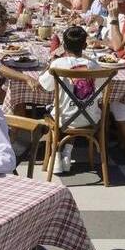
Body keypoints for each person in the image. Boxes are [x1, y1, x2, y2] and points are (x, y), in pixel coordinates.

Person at [39, 26, 102, 172]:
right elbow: (100, 92)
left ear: (64, 46)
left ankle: (56, 155)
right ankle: (67, 153)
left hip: (64, 118)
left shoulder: (58, 64)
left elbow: (45, 86)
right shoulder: (94, 66)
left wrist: (50, 64)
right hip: (91, 119)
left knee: (56, 110)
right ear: (85, 46)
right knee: (76, 109)